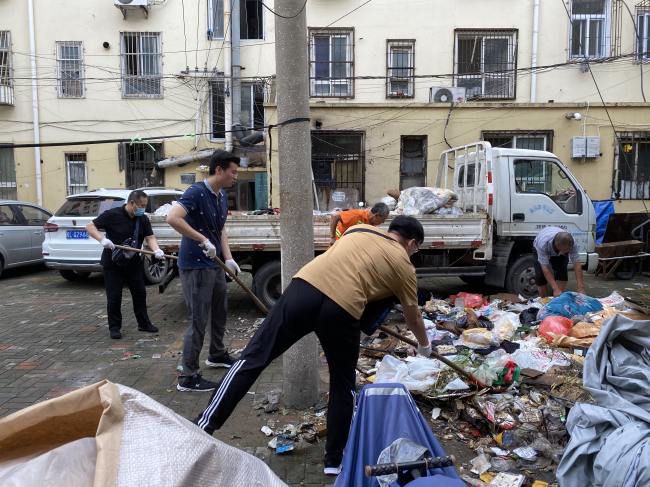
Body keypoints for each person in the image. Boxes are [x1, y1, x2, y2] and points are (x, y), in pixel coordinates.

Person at [192, 215, 431, 476]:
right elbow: (413, 315)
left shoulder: (360, 228)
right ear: (411, 243)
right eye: (415, 249)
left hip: (304, 289)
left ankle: (203, 426)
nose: (413, 252)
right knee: (343, 384)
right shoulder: (405, 266)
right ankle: (333, 461)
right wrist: (424, 346)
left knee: (253, 358)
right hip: (343, 309)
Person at [166, 150, 241, 392]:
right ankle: (187, 377)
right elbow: (173, 218)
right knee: (198, 320)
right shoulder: (196, 192)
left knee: (220, 311)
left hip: (215, 264)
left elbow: (220, 230)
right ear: (218, 170)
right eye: (233, 171)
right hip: (196, 266)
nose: (235, 177)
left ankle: (217, 354)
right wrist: (201, 240)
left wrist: (227, 258)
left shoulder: (220, 196)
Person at [86, 190, 163, 339]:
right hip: (113, 264)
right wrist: (102, 240)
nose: (143, 209)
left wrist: (157, 249)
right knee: (114, 296)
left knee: (140, 293)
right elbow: (90, 227)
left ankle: (144, 323)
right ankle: (114, 327)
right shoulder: (112, 215)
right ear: (132, 203)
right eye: (142, 205)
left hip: (133, 263)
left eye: (145, 206)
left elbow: (150, 237)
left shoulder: (142, 219)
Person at [533, 226, 585, 298]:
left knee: (562, 273)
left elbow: (577, 265)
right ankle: (544, 300)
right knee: (540, 276)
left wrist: (580, 288)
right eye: (567, 249)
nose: (568, 251)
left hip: (560, 250)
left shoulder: (571, 244)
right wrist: (555, 288)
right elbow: (545, 269)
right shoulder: (543, 245)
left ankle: (559, 298)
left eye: (569, 249)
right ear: (557, 245)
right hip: (542, 245)